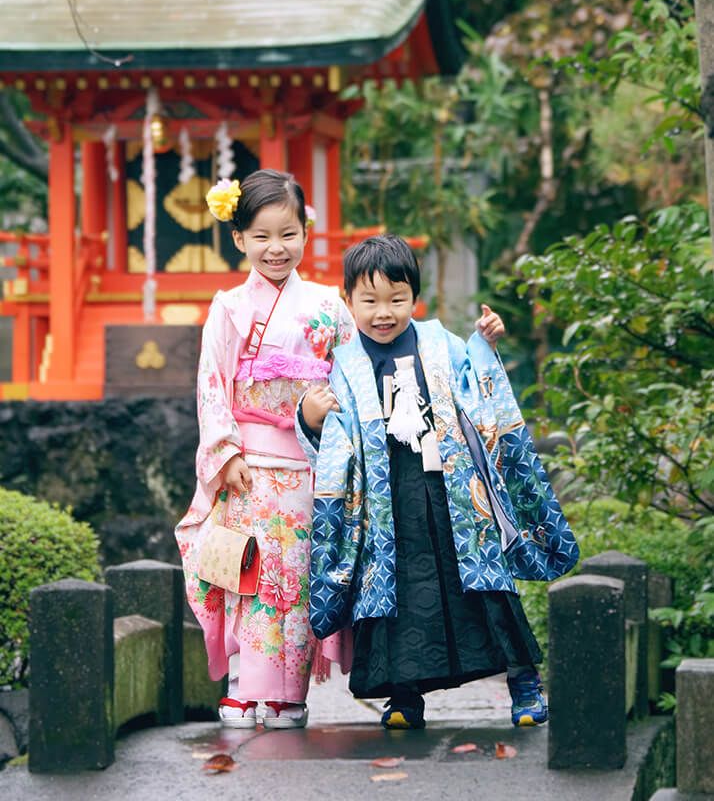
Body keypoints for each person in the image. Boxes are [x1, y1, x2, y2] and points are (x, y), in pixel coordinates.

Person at [296, 234, 579, 730]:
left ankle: (524, 683)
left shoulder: (439, 342)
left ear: (415, 297)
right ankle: (405, 696)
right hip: (386, 505)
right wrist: (312, 416)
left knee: (487, 586)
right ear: (348, 301)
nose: (384, 312)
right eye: (370, 301)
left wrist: (485, 344)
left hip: (455, 493)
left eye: (397, 299)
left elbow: (476, 386)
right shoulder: (343, 363)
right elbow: (334, 442)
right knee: (397, 594)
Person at [175, 169, 353, 731]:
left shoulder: (329, 305)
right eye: (261, 236)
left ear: (306, 233)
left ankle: (287, 695)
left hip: (308, 464)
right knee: (246, 574)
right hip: (247, 467)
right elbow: (212, 384)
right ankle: (244, 687)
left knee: (295, 578)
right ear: (238, 239)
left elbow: (352, 379)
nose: (276, 248)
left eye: (288, 233)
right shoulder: (227, 307)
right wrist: (224, 454)